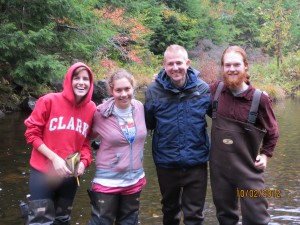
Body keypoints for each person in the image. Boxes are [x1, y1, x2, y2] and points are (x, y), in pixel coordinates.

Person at [209, 46, 279, 225]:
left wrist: (265, 154)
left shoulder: (259, 99)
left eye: (236, 65)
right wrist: (165, 77)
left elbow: (273, 132)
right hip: (220, 172)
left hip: (248, 172)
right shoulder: (215, 91)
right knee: (226, 218)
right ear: (222, 67)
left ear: (246, 66)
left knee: (257, 218)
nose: (231, 69)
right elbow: (189, 87)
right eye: (227, 65)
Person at [144, 44, 211, 225]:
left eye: (179, 63)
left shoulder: (203, 89)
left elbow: (221, 116)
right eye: (170, 64)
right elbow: (147, 124)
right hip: (166, 163)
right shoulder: (153, 92)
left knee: (195, 215)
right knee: (170, 211)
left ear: (187, 63)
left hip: (196, 162)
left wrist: (254, 97)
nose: (175, 68)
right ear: (164, 65)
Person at [23, 62, 96, 225]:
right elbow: (31, 134)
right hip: (43, 173)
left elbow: (85, 142)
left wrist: (84, 162)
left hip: (69, 176)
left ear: (90, 84)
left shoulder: (91, 108)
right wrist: (54, 158)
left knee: (62, 220)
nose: (81, 82)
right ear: (69, 80)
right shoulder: (48, 101)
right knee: (39, 221)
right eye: (77, 78)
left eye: (86, 79)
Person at [87, 69, 147, 225]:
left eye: (127, 89)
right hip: (107, 181)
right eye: (118, 90)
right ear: (111, 91)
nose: (124, 94)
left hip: (134, 180)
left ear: (133, 88)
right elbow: (84, 136)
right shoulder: (101, 113)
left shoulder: (139, 107)